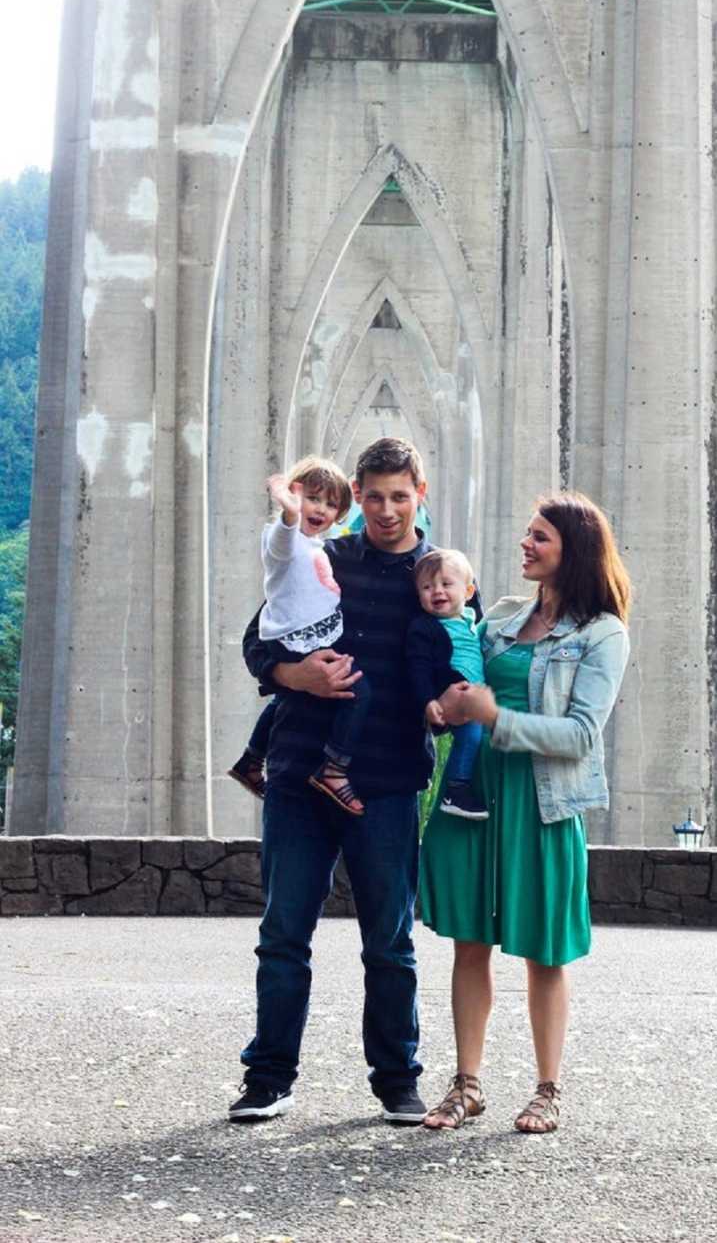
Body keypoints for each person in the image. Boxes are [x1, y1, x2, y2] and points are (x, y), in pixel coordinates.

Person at [229, 437, 435, 1125]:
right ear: (356, 493)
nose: (384, 509)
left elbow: (453, 661)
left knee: (390, 942)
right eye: (372, 496)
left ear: (420, 495)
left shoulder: (435, 578)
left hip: (387, 779)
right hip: (296, 770)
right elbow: (257, 643)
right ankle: (268, 1079)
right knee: (284, 932)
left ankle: (398, 1080)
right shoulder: (324, 555)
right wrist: (294, 674)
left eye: (398, 496)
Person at [419, 492, 631, 1135]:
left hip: (542, 804)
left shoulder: (602, 633)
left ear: (574, 549)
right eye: (527, 532)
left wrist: (494, 718)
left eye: (539, 536)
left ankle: (548, 1090)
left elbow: (580, 735)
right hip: (472, 795)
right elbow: (454, 671)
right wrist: (439, 706)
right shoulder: (500, 617)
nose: (525, 544)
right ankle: (467, 1086)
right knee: (469, 944)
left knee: (544, 952)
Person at [227, 456, 370, 816]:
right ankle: (334, 769)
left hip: (310, 635)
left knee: (283, 700)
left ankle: (250, 759)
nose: (320, 508)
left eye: (330, 503)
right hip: (294, 638)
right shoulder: (286, 543)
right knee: (358, 690)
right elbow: (280, 543)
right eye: (312, 498)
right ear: (296, 496)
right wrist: (289, 514)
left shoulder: (319, 547)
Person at [406, 549, 488, 820]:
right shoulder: (424, 627)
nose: (437, 591)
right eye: (427, 587)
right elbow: (417, 668)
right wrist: (428, 701)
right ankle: (456, 788)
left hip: (474, 696)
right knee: (471, 735)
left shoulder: (470, 621)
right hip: (450, 694)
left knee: (479, 739)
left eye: (446, 584)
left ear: (468, 591)